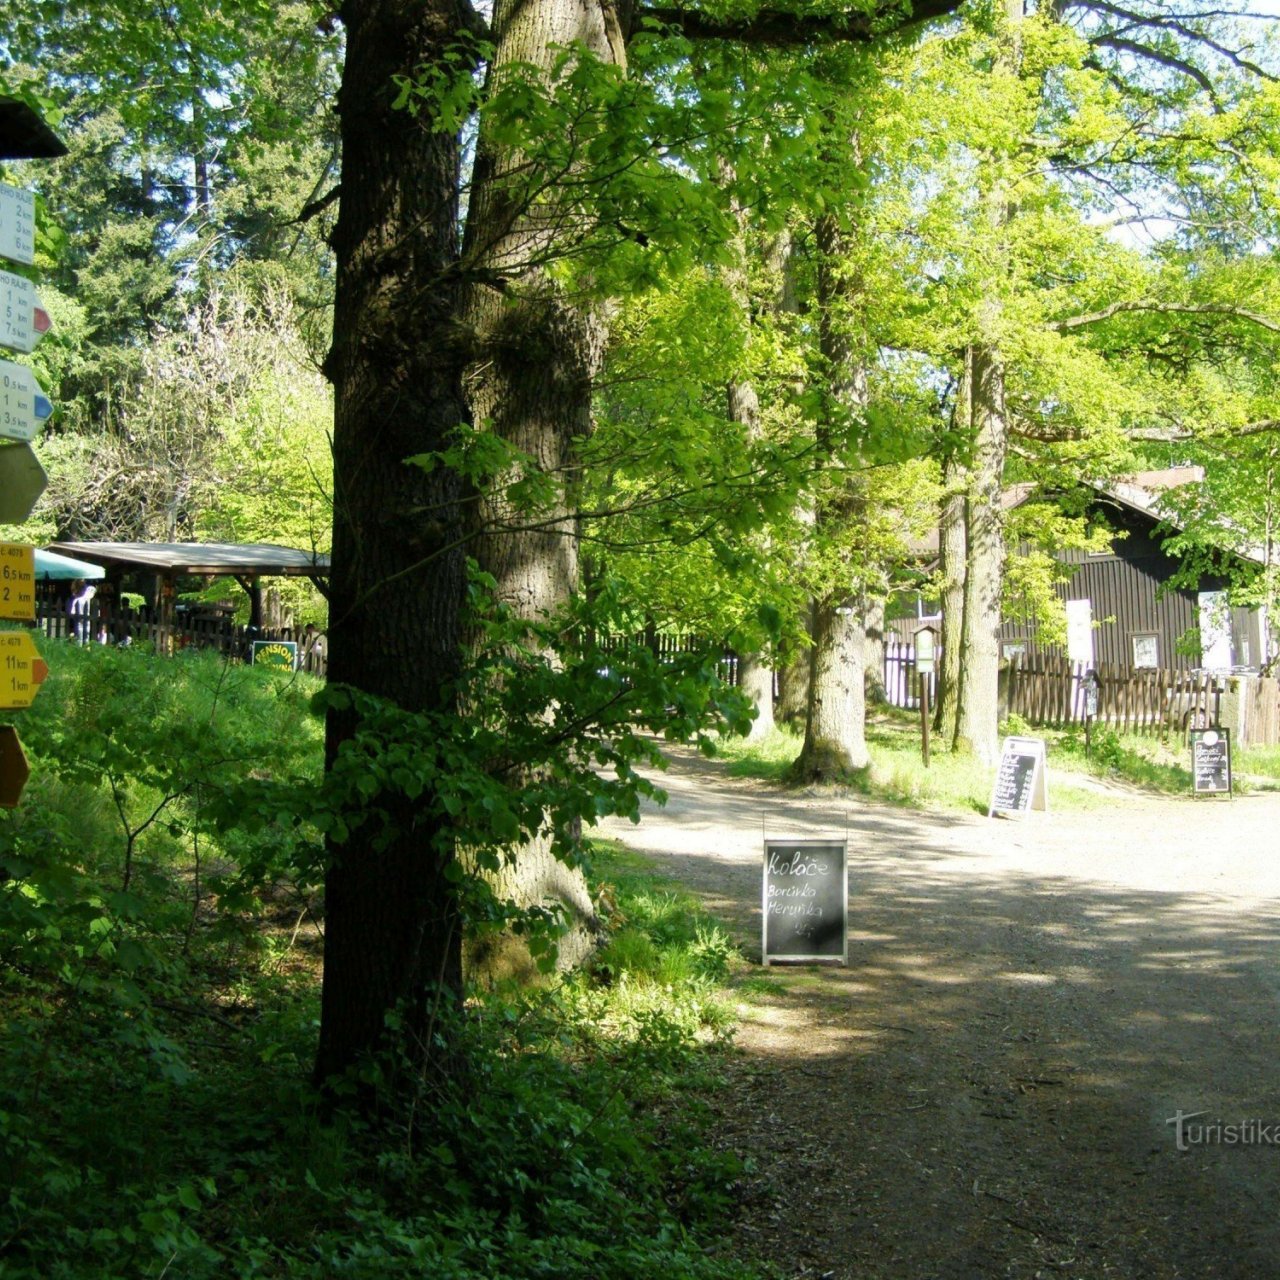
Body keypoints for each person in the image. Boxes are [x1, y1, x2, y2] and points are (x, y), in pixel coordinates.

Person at [67, 579, 96, 644]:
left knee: (79, 639)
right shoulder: (87, 598)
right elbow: (93, 589)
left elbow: (72, 613)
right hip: (85, 621)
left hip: (79, 622)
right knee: (86, 639)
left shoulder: (77, 600)